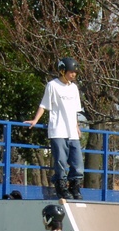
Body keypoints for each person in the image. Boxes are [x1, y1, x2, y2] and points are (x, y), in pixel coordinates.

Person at [25, 57, 85, 201]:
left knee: (78, 164)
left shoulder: (74, 88)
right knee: (61, 161)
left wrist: (77, 126)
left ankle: (74, 187)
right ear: (63, 71)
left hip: (72, 132)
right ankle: (62, 188)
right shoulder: (52, 85)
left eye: (75, 72)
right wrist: (35, 120)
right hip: (58, 129)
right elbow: (44, 105)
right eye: (71, 72)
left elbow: (75, 110)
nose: (73, 75)